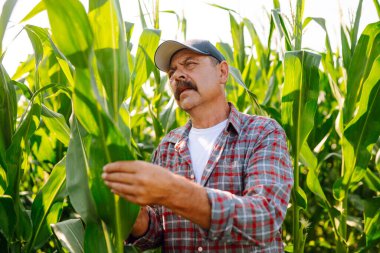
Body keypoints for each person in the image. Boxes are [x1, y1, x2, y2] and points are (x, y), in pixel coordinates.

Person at [102, 39, 294, 252]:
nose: (177, 76)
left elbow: (264, 218)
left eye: (190, 64)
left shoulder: (261, 133)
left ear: (222, 72)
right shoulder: (167, 147)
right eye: (171, 72)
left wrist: (172, 191)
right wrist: (137, 217)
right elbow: (157, 234)